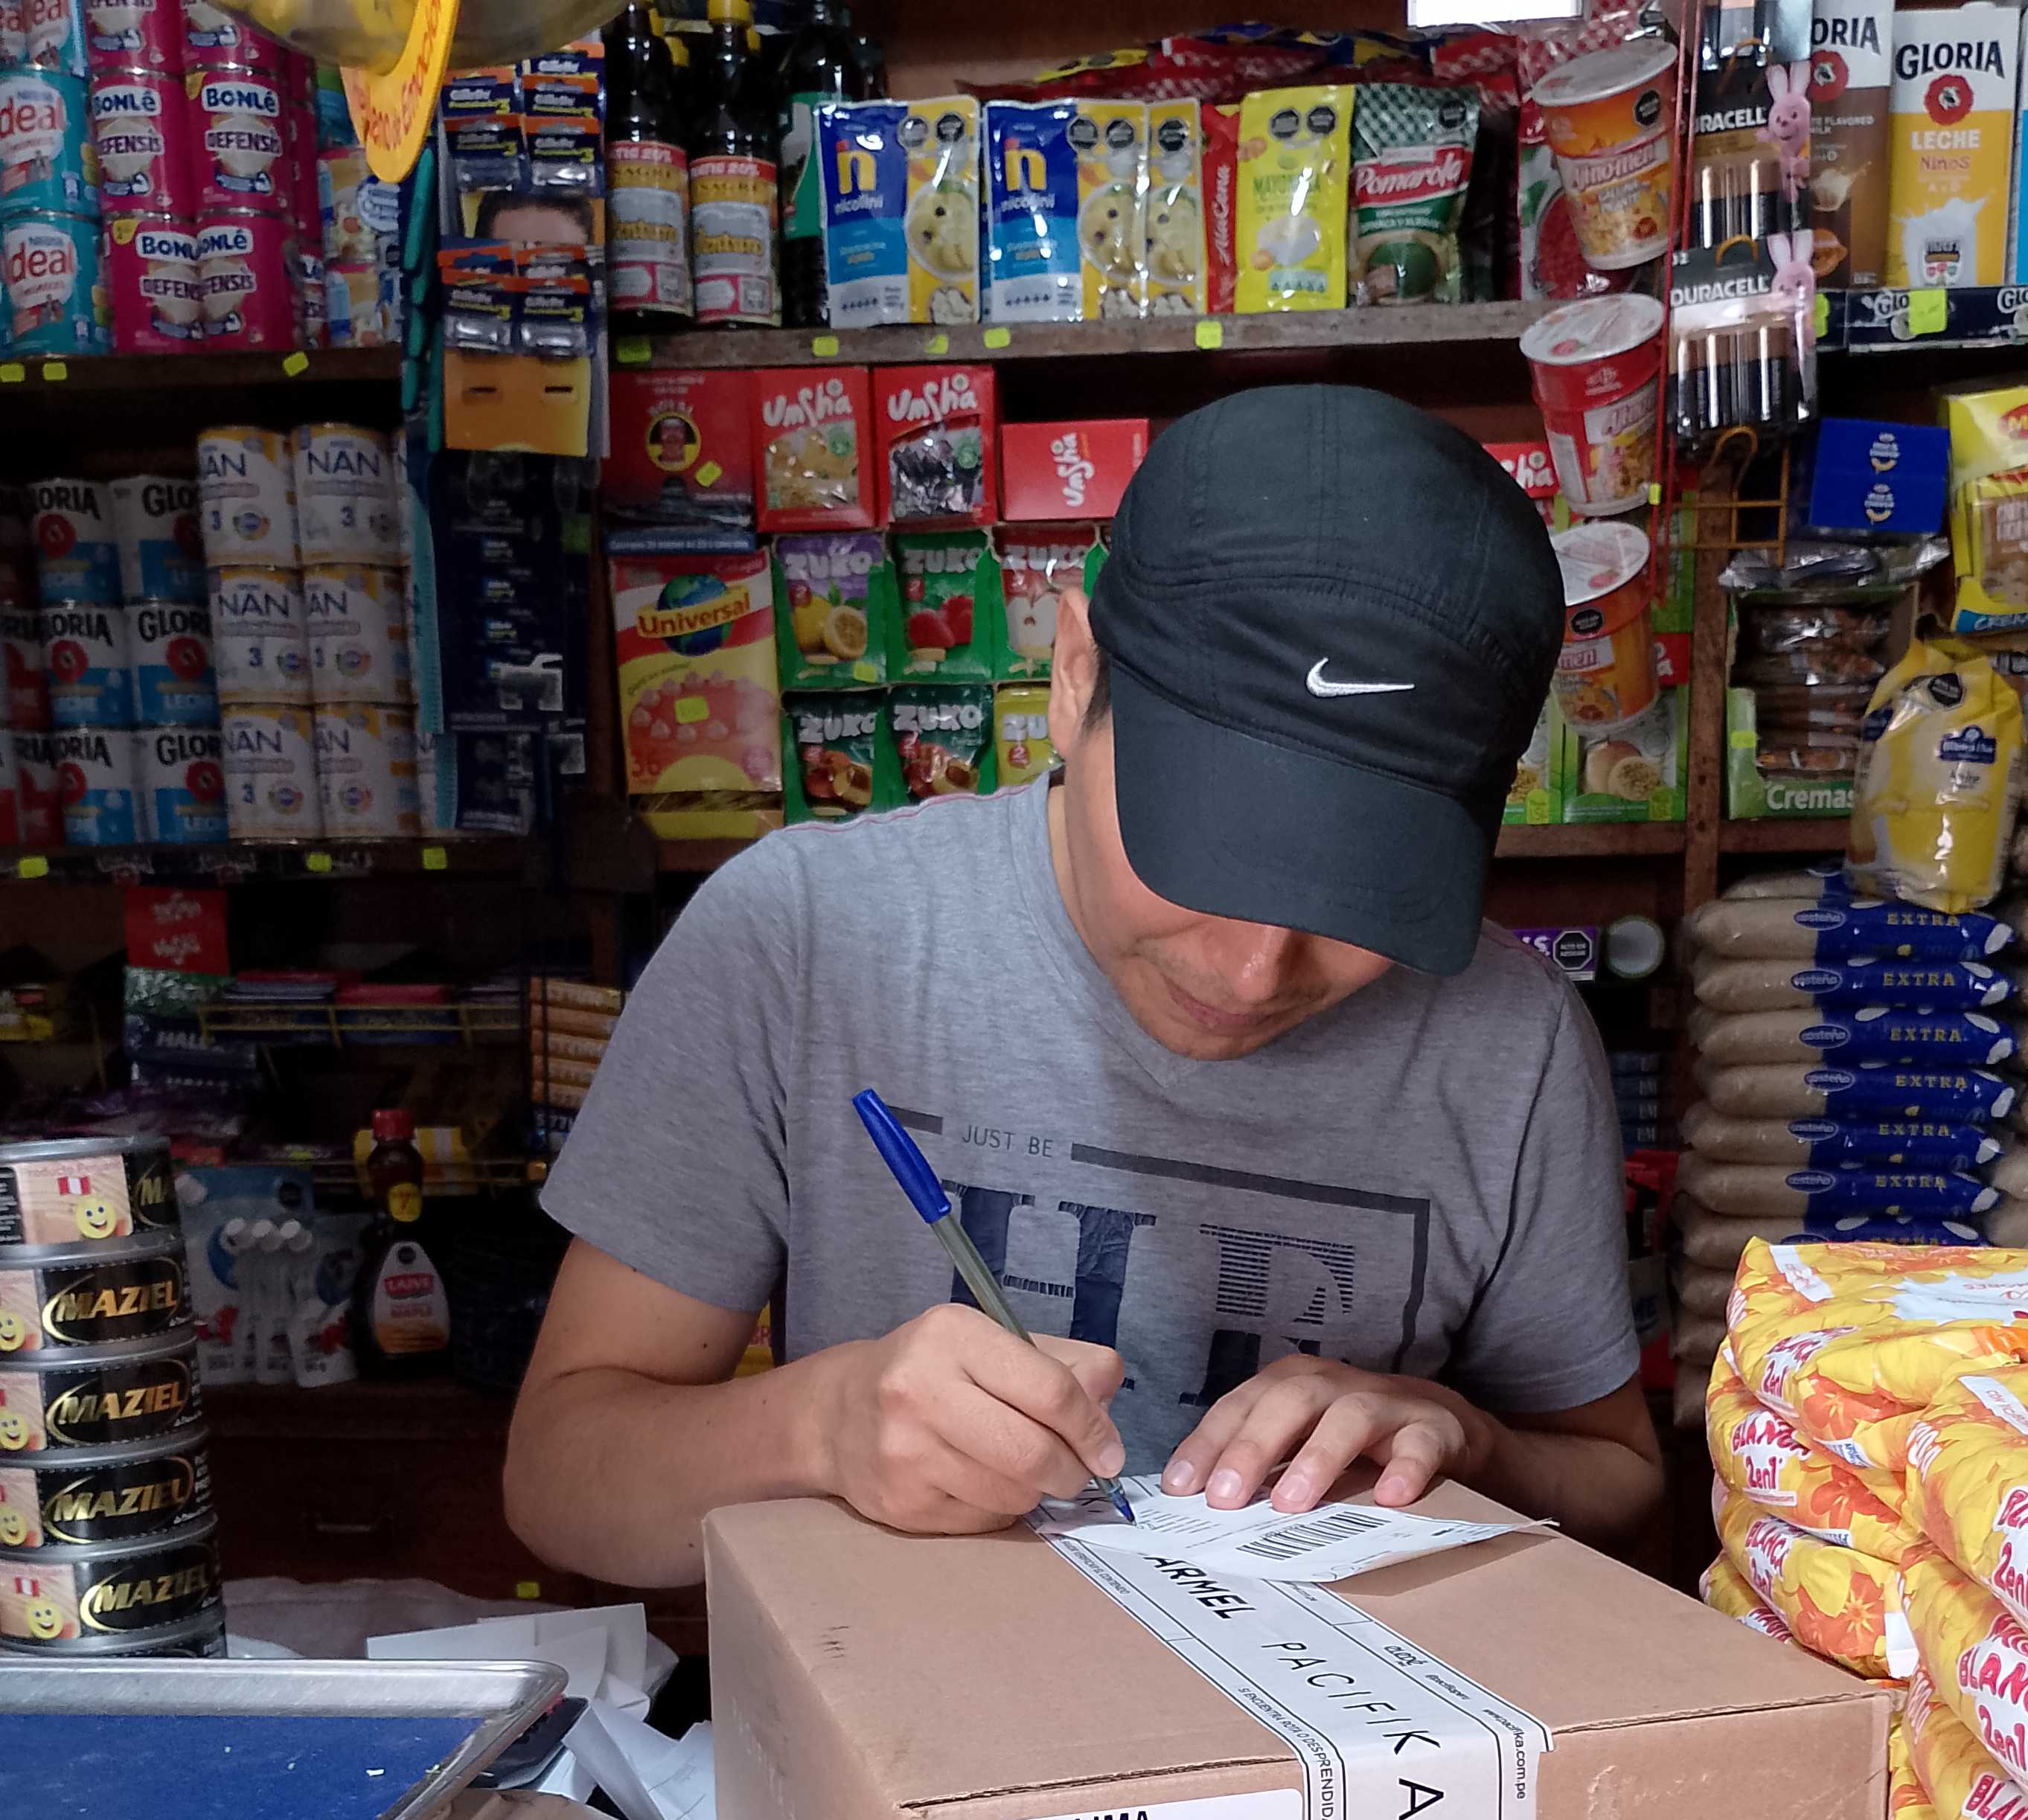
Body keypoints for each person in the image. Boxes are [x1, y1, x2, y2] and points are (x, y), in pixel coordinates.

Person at [508, 383, 1663, 1586]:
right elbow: (556, 1480)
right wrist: (821, 1426)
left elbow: (1622, 1485)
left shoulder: (1513, 1042)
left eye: (1359, 898)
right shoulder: (803, 938)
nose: (1254, 970)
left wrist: (1466, 1440)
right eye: (1201, 857)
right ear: (1073, 678)